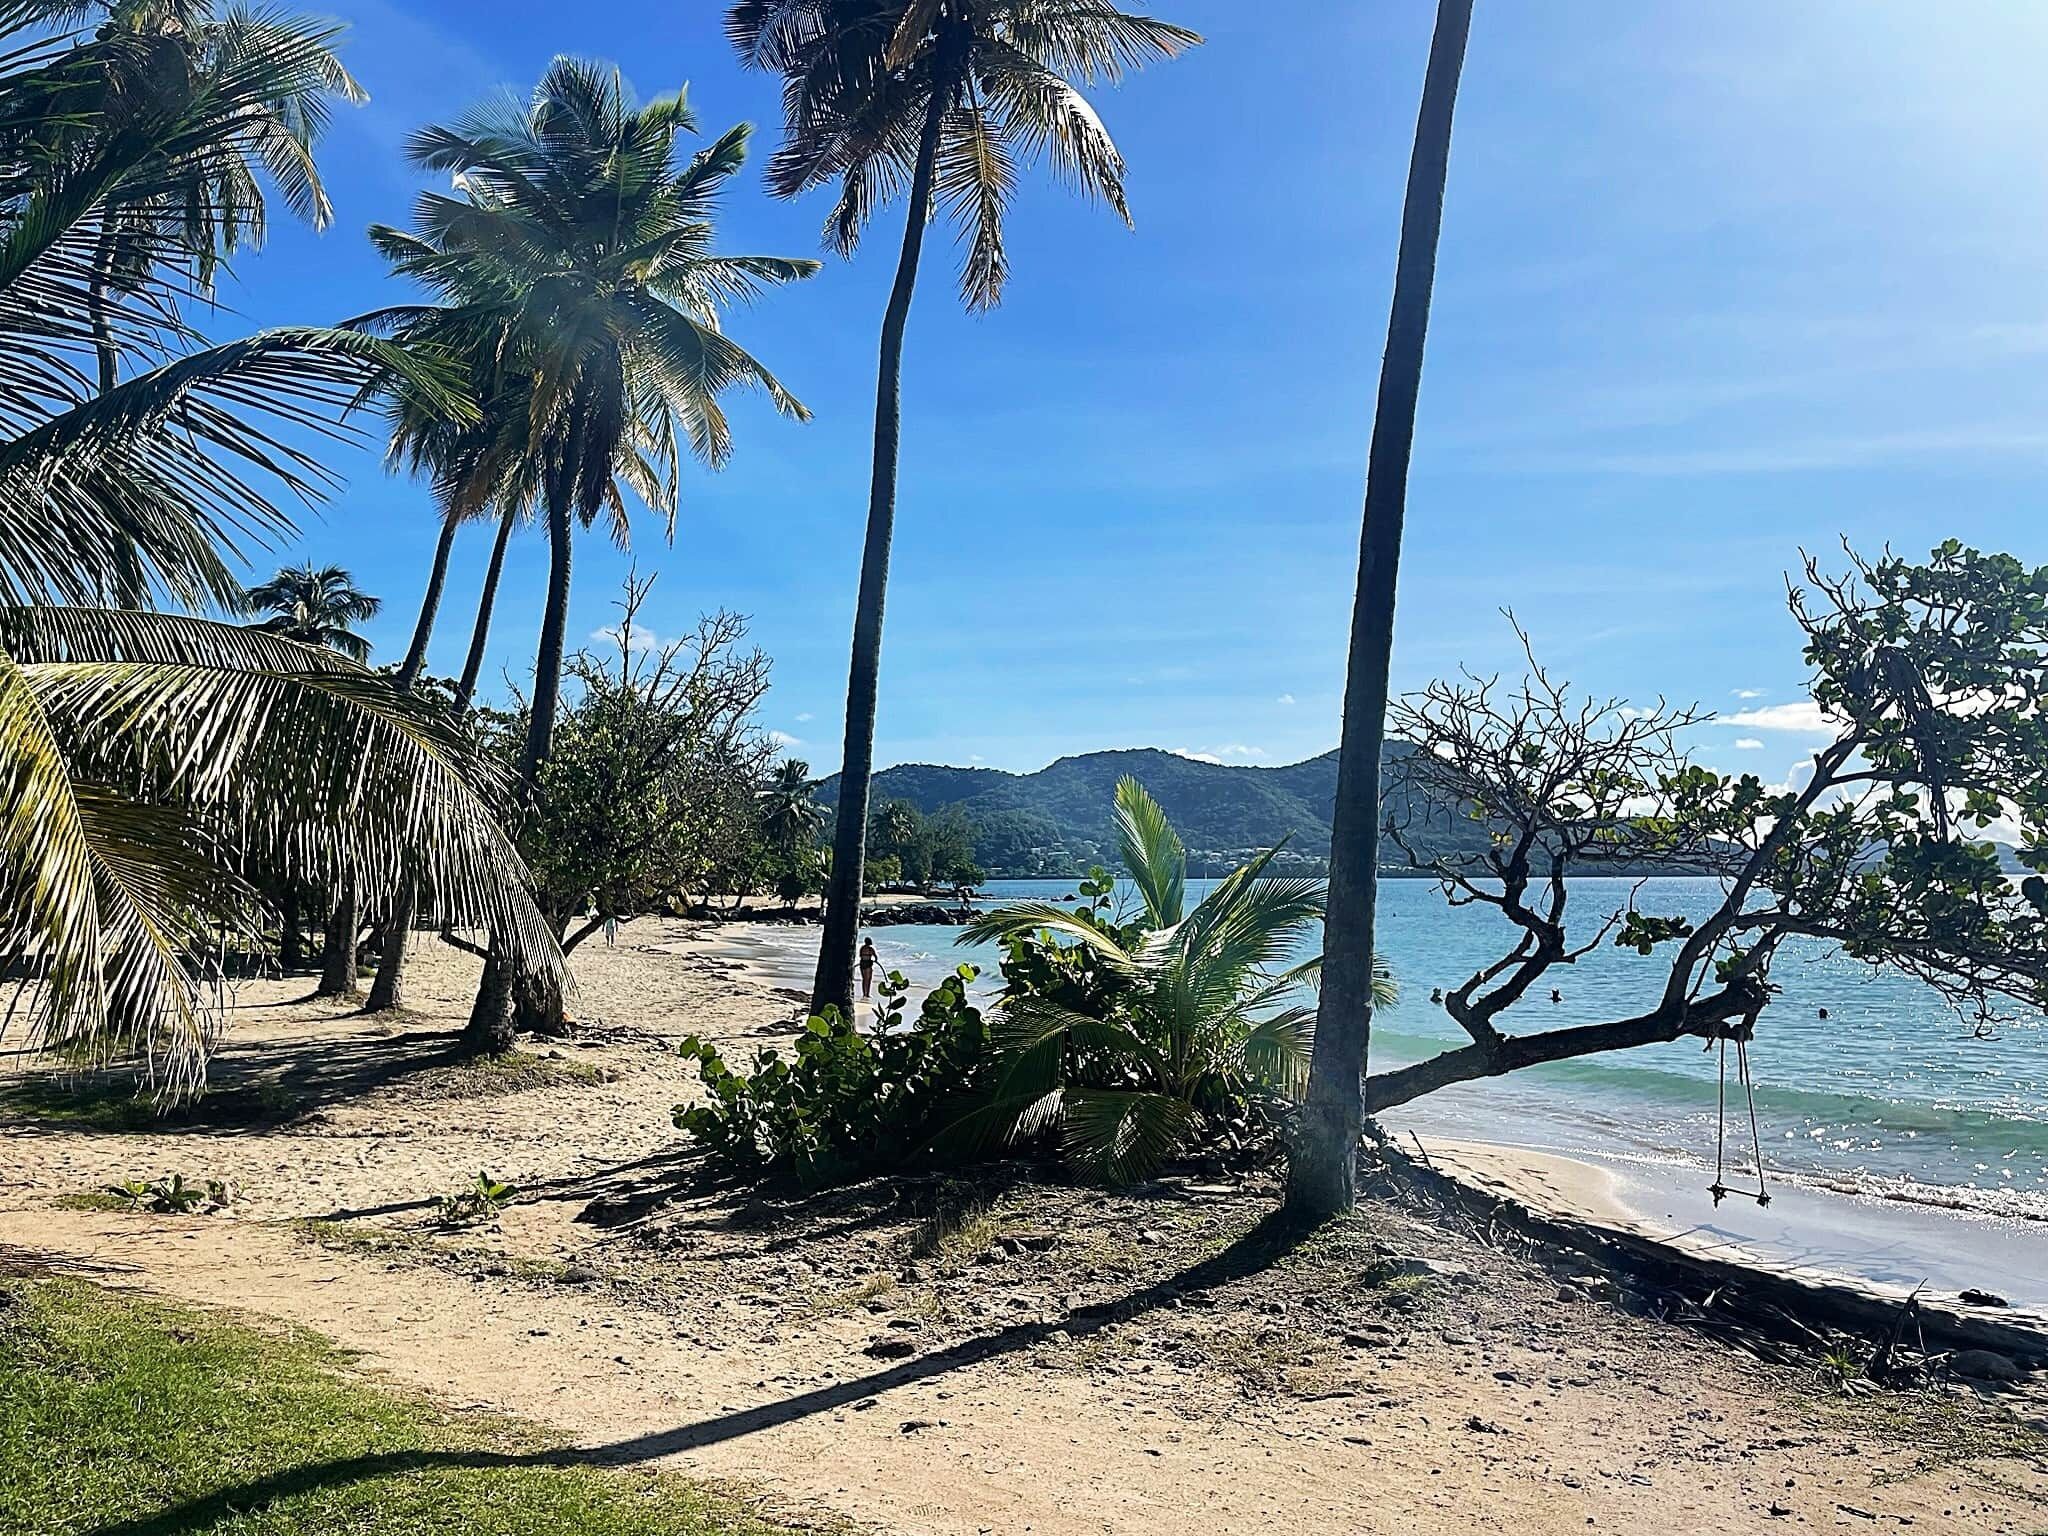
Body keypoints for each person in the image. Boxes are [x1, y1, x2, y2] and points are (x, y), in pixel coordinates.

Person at [858, 936, 878, 1001]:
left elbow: (860, 955)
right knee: (868, 980)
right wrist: (874, 960)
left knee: (864, 979)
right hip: (868, 964)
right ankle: (867, 994)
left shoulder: (862, 948)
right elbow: (875, 957)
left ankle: (864, 994)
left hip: (862, 963)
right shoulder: (871, 948)